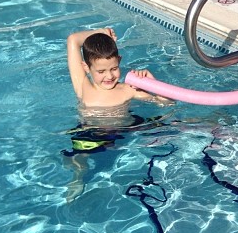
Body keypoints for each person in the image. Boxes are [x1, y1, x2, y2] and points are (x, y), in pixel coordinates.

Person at [63, 27, 172, 200]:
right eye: (101, 71)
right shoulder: (83, 87)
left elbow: (166, 104)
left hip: (127, 128)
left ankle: (208, 125)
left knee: (171, 126)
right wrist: (102, 32)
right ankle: (78, 179)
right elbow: (73, 39)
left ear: (119, 60)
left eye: (114, 68)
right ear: (86, 67)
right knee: (80, 160)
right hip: (92, 133)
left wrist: (152, 83)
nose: (109, 76)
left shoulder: (128, 89)